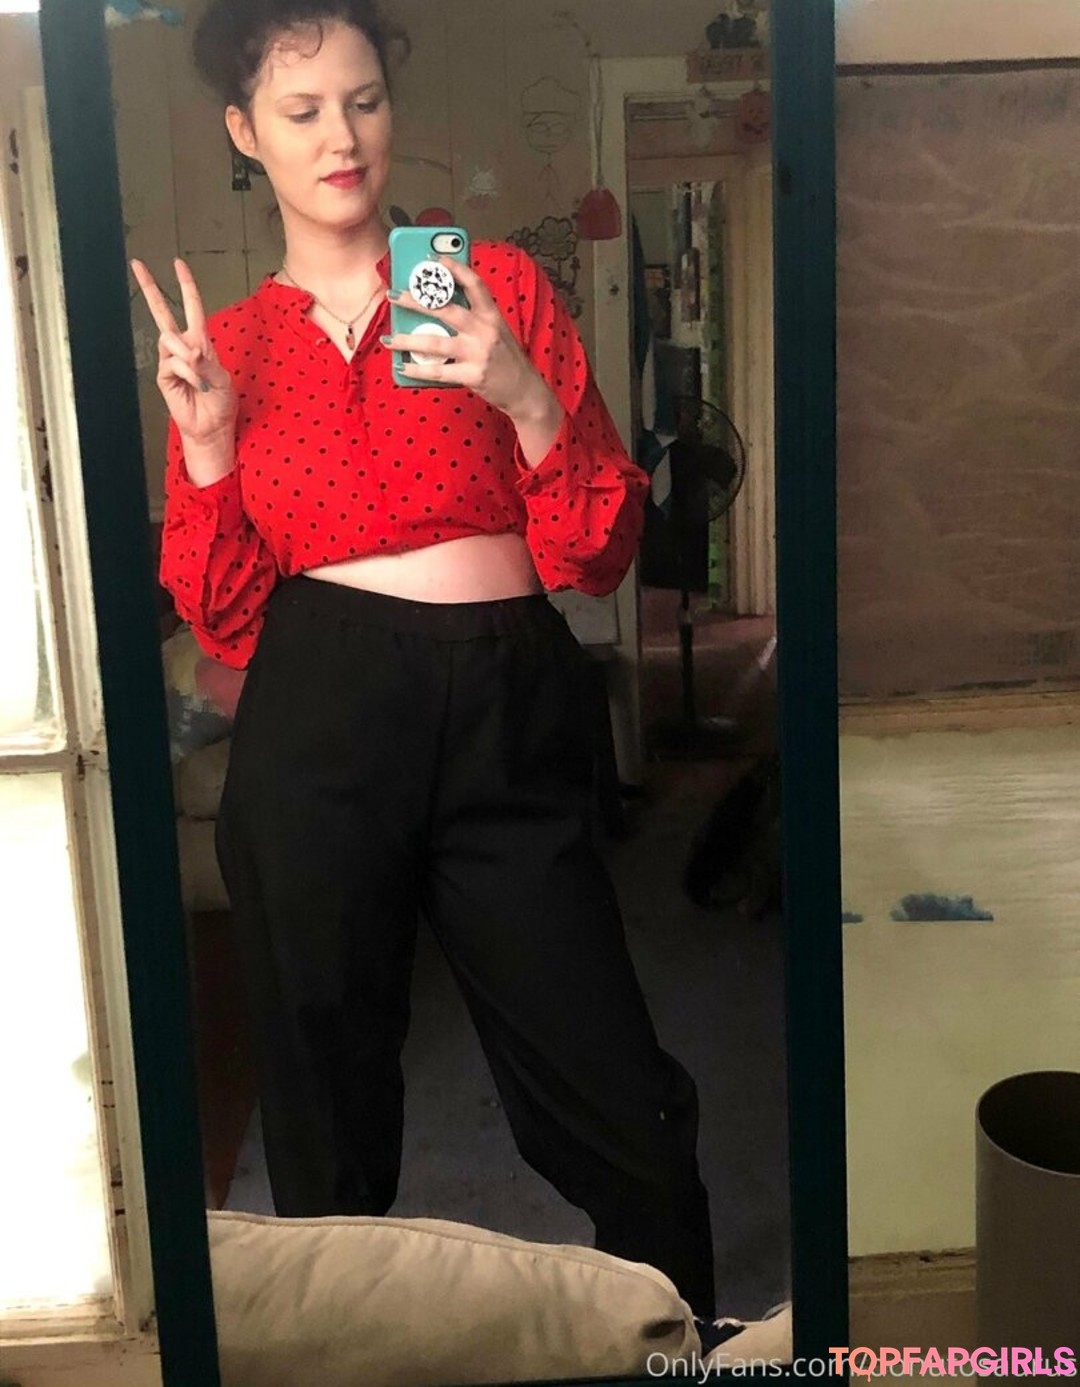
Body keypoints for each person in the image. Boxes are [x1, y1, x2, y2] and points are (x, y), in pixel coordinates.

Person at [132, 0, 716, 1324]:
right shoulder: (233, 346)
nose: (341, 137)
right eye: (301, 111)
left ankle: (685, 1340)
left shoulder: (489, 286)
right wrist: (210, 448)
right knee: (323, 1094)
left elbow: (600, 549)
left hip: (507, 696)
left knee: (615, 1087)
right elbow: (227, 618)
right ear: (244, 133)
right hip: (319, 713)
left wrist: (524, 395)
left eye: (364, 100)